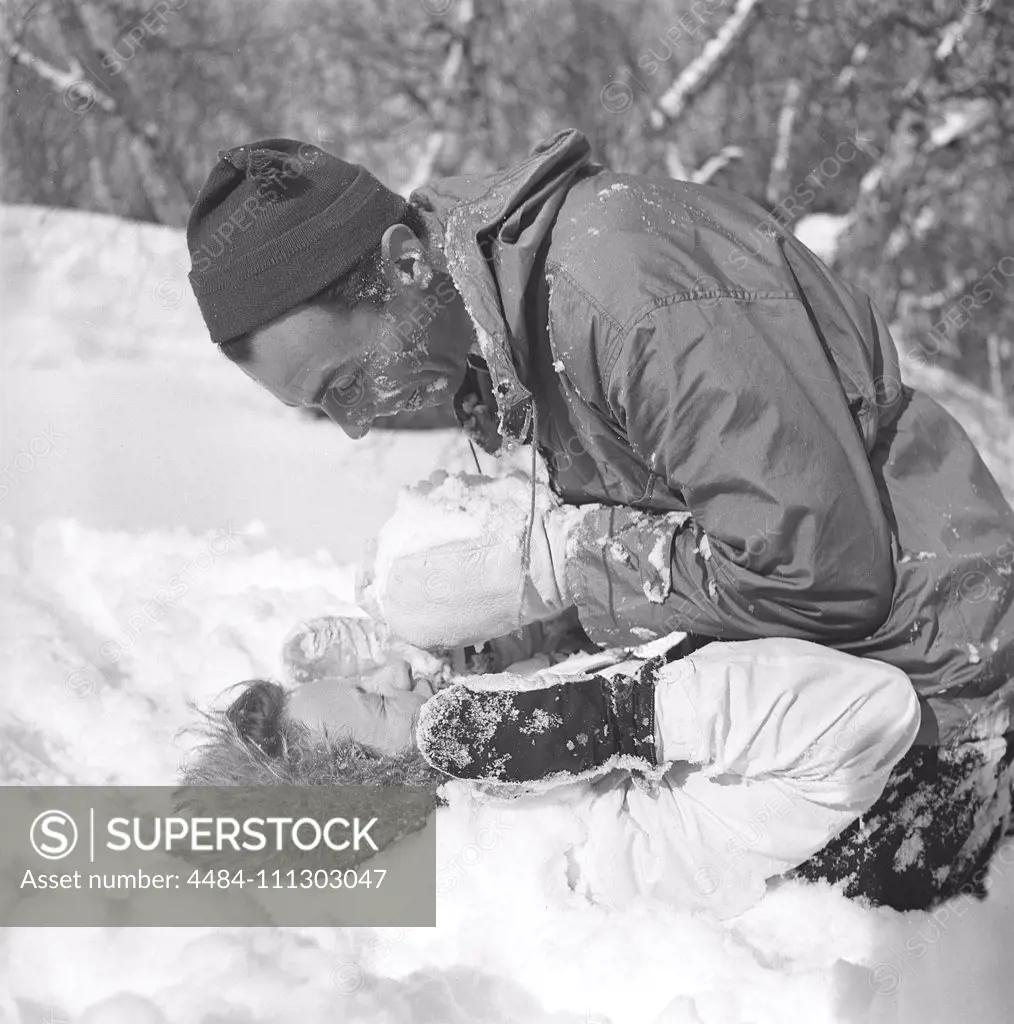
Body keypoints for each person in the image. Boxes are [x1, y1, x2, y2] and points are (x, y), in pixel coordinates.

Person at [185, 130, 1014, 752]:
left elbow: (819, 576)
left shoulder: (624, 293)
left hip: (942, 684)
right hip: (830, 680)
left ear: (404, 266)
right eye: (325, 408)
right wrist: (517, 636)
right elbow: (672, 517)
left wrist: (568, 567)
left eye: (346, 383)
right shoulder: (492, 337)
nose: (360, 422)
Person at [188, 619, 922, 918]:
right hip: (950, 754)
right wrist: (626, 718)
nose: (393, 674)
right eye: (374, 699)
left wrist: (486, 664)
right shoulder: (584, 858)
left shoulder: (491, 768)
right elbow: (868, 717)